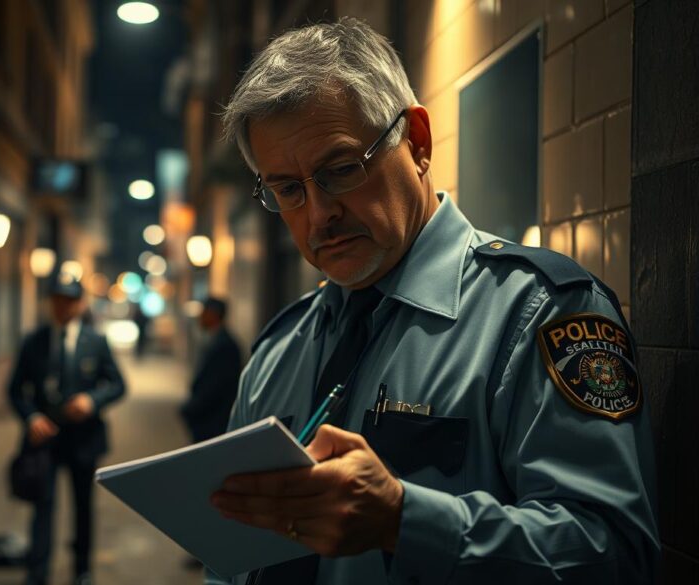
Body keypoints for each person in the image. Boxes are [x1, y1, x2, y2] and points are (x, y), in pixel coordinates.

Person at [205, 17, 659, 585]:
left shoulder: (542, 314)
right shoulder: (279, 350)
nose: (319, 215)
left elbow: (615, 554)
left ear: (417, 142)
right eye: (288, 190)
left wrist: (403, 519)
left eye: (341, 170)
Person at [8, 272, 126, 585]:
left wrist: (92, 400)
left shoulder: (95, 341)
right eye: (57, 299)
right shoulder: (34, 342)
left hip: (84, 437)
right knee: (42, 505)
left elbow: (118, 384)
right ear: (50, 303)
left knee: (83, 506)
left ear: (79, 303)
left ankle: (82, 569)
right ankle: (38, 571)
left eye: (69, 300)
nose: (63, 306)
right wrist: (31, 416)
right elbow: (15, 389)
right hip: (44, 439)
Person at [180, 297, 242, 444]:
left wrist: (191, 410)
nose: (200, 317)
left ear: (213, 314)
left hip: (213, 422)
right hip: (208, 419)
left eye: (204, 312)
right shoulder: (216, 340)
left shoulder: (225, 346)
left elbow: (216, 386)